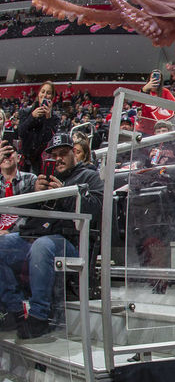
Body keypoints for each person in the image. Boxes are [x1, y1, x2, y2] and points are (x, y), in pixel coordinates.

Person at [0, 133, 103, 338]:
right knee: (2, 245)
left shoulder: (88, 175)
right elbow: (22, 213)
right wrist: (35, 193)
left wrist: (65, 193)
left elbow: (97, 210)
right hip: (36, 236)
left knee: (42, 245)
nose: (58, 159)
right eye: (53, 156)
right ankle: (14, 310)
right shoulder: (42, 179)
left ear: (74, 153)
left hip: (71, 241)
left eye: (63, 154)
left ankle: (40, 316)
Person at [17, 81, 60, 174]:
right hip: (24, 159)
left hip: (40, 161)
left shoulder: (55, 118)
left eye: (48, 93)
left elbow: (47, 139)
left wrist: (48, 118)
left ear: (52, 97)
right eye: (43, 91)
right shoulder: (25, 112)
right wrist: (32, 117)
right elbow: (20, 132)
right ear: (39, 93)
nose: (45, 95)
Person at [136, 69, 175, 135]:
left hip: (159, 129)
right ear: (149, 79)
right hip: (144, 128)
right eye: (153, 77)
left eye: (158, 77)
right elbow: (136, 104)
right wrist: (144, 89)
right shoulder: (144, 90)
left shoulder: (165, 92)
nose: (156, 79)